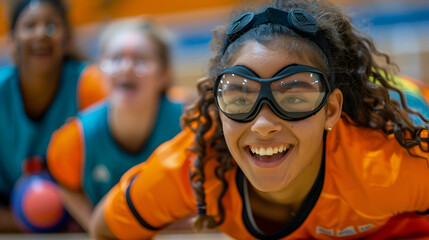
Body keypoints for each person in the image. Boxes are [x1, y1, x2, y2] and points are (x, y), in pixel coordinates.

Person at [89, 0, 429, 239]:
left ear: (330, 110)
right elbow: (105, 228)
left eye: (294, 95)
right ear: (217, 107)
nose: (263, 124)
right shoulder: (192, 170)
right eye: (240, 96)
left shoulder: (389, 163)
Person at [46, 18, 184, 231]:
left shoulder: (191, 123)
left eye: (140, 60)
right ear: (99, 71)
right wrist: (95, 224)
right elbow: (66, 186)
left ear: (164, 74)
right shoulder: (74, 139)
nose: (126, 67)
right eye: (115, 58)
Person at [0, 0, 106, 232]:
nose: (41, 33)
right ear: (11, 41)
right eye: (29, 26)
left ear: (67, 40)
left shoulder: (91, 86)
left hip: (84, 217)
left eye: (51, 26)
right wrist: (33, 220)